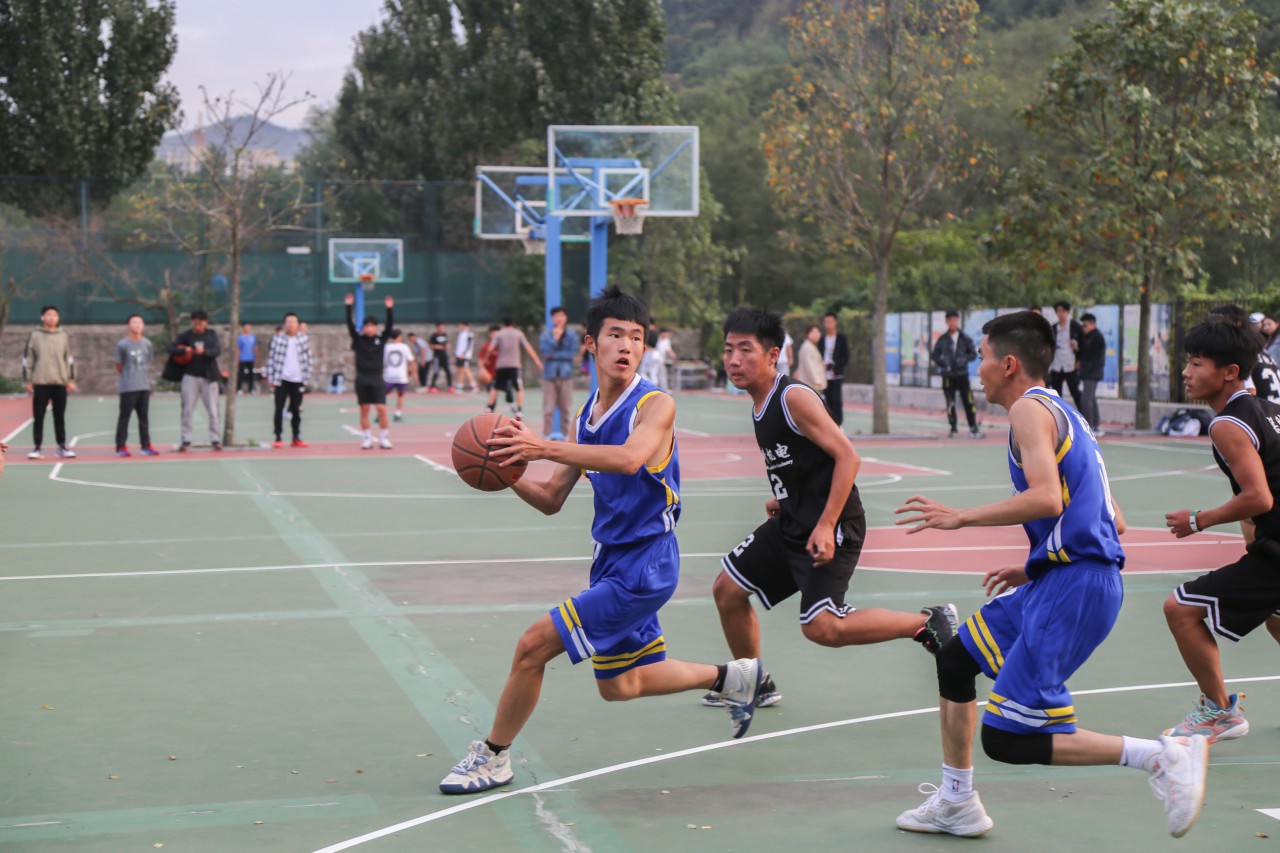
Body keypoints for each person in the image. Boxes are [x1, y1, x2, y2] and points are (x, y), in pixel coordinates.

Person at [892, 310, 1208, 840]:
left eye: (982, 357)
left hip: (1075, 588)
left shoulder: (1027, 411)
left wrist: (960, 517)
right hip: (1064, 578)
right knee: (956, 659)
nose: (976, 368)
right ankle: (956, 802)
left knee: (1007, 738)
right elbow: (1113, 518)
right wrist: (1038, 561)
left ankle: (1162, 757)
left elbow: (1046, 497)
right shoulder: (1066, 413)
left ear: (1008, 364)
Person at [439, 286, 764, 795]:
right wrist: (505, 470)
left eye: (636, 337)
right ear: (591, 343)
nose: (627, 345)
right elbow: (551, 498)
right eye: (615, 335)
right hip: (610, 562)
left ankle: (494, 757)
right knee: (620, 684)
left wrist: (544, 446)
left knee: (532, 647)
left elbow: (631, 459)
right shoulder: (586, 416)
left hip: (646, 565)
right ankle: (733, 678)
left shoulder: (654, 406)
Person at [702, 308, 958, 710]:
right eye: (728, 349)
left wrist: (825, 524)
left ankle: (928, 623)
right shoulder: (760, 401)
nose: (734, 360)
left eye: (745, 350)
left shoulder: (793, 398)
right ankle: (753, 683)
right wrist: (785, 496)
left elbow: (847, 457)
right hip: (794, 519)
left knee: (822, 626)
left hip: (832, 524)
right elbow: (803, 460)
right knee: (727, 589)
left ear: (773, 355)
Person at [1160, 316, 1280, 744]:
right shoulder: (1270, 411)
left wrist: (1198, 520)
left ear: (1230, 372)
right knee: (1277, 618)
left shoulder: (1227, 423)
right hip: (1272, 545)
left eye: (1197, 364)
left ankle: (1218, 712)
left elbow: (1259, 498)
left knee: (1181, 608)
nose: (1186, 372)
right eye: (1188, 362)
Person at [22, 304, 76, 460]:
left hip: (60, 382)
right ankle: (37, 448)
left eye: (54, 315)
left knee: (60, 416)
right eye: (48, 314)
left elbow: (69, 359)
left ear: (58, 318)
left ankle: (61, 446)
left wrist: (70, 379)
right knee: (38, 416)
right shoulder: (35, 336)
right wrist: (28, 380)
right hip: (41, 382)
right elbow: (28, 359)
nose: (51, 317)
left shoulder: (63, 335)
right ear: (43, 317)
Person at [165, 309, 222, 452]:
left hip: (208, 377)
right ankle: (186, 439)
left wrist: (205, 352)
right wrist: (184, 351)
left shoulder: (211, 335)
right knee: (187, 409)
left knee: (213, 410)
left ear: (206, 323)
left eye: (200, 324)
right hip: (190, 376)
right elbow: (170, 348)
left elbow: (217, 350)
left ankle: (215, 439)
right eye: (195, 323)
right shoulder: (186, 336)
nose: (198, 327)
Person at [344, 292, 395, 450]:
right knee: (364, 408)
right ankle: (367, 439)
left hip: (377, 377)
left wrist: (389, 309)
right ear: (364, 328)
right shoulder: (358, 340)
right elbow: (349, 325)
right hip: (362, 377)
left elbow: (389, 327)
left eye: (372, 325)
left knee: (381, 408)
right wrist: (348, 306)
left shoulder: (381, 339)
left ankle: (384, 438)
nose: (369, 328)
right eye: (367, 326)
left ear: (376, 327)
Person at [1207, 305, 1280, 404]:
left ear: (1237, 324)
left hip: (1264, 411)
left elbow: (1250, 391)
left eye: (1216, 326)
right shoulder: (1260, 351)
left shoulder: (1239, 353)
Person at [929, 310, 981, 438]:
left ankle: (973, 427)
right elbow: (935, 355)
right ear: (946, 321)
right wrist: (944, 363)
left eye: (955, 320)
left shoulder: (965, 338)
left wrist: (963, 359)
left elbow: (973, 354)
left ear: (958, 321)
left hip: (962, 374)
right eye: (950, 320)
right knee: (950, 402)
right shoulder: (942, 339)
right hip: (948, 376)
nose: (953, 323)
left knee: (968, 400)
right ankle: (953, 428)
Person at [113, 314, 158, 458]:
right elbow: (119, 365)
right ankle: (121, 446)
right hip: (128, 387)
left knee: (144, 418)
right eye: (134, 322)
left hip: (144, 386)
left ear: (143, 326)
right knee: (124, 418)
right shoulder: (122, 344)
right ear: (128, 325)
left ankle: (146, 446)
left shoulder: (147, 343)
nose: (137, 325)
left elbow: (149, 361)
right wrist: (129, 376)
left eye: (140, 322)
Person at [266, 313, 312, 448]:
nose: (291, 324)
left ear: (298, 325)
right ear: (285, 324)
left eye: (293, 322)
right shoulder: (277, 339)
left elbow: (309, 359)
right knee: (279, 408)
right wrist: (271, 377)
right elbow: (271, 359)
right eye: (288, 322)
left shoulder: (303, 339)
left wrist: (306, 377)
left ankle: (296, 437)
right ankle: (278, 437)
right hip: (281, 379)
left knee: (296, 409)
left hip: (298, 379)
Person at [486, 316, 542, 420]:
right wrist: (536, 360)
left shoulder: (499, 334)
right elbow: (528, 348)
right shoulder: (518, 334)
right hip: (514, 365)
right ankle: (519, 410)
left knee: (496, 387)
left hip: (501, 365)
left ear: (503, 323)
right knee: (518, 388)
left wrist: (487, 358)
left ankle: (489, 407)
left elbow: (490, 349)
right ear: (513, 323)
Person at [539, 306, 578, 438]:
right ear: (552, 318)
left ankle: (566, 435)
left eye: (561, 315)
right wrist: (555, 340)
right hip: (549, 375)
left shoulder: (571, 334)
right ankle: (546, 435)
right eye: (555, 316)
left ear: (565, 317)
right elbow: (545, 352)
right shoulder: (546, 335)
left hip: (566, 375)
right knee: (548, 409)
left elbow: (572, 353)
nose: (558, 318)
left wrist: (554, 355)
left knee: (566, 408)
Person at [1047, 300, 1084, 409]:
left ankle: (1082, 414)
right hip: (1057, 363)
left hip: (1070, 363)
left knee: (1075, 391)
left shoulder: (1075, 326)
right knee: (1056, 393)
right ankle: (1058, 415)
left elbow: (1083, 344)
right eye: (1059, 311)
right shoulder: (1053, 328)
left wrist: (1079, 358)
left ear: (1068, 312)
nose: (1061, 314)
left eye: (1063, 311)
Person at [1078, 312, 1106, 434]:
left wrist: (1082, 363)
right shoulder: (1088, 337)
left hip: (1092, 372)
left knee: (1086, 399)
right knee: (1091, 398)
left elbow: (1090, 355)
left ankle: (1089, 425)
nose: (1083, 328)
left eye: (1086, 325)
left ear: (1093, 325)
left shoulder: (1096, 337)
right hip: (1089, 372)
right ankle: (1096, 425)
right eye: (1083, 325)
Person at [821, 312, 850, 428]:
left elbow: (845, 357)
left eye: (830, 321)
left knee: (836, 399)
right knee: (826, 400)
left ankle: (839, 424)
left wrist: (835, 369)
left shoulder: (841, 338)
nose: (828, 324)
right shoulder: (822, 339)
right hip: (823, 375)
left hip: (837, 374)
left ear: (835, 322)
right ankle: (828, 424)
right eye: (826, 322)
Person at [383, 328, 416, 421]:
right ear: (399, 337)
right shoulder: (404, 347)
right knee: (400, 395)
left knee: (383, 395)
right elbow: (411, 361)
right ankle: (398, 414)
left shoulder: (386, 347)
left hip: (388, 375)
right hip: (401, 376)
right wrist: (413, 373)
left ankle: (381, 412)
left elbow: (382, 362)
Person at [792, 325, 827, 395]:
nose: (816, 335)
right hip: (810, 383)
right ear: (808, 334)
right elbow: (809, 365)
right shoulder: (807, 347)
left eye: (818, 332)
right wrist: (816, 380)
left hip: (810, 383)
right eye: (813, 332)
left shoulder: (810, 346)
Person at [426, 322, 454, 393]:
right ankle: (432, 386)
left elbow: (448, 344)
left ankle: (450, 386)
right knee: (436, 371)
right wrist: (436, 346)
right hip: (437, 356)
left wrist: (447, 346)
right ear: (437, 328)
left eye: (443, 327)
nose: (442, 329)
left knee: (447, 371)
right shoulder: (434, 336)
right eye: (440, 327)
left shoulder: (445, 335)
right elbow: (430, 345)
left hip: (444, 356)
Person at [454, 320, 478, 393]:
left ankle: (474, 385)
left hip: (465, 356)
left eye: (460, 325)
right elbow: (459, 346)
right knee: (459, 370)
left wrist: (463, 354)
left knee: (466, 370)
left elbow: (469, 345)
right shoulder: (461, 334)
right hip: (459, 355)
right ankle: (459, 386)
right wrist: (456, 355)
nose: (459, 327)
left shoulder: (469, 334)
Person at [236, 323, 258, 394]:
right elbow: (238, 349)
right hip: (242, 358)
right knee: (241, 374)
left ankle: (251, 389)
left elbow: (255, 347)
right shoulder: (240, 337)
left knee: (251, 374)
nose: (247, 329)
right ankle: (239, 388)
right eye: (246, 328)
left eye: (248, 328)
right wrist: (237, 358)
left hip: (251, 358)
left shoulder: (252, 337)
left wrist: (257, 357)